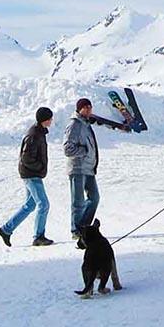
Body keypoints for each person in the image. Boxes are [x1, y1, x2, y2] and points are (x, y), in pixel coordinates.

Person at [0, 106, 55, 247]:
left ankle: (6, 229)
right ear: (44, 120)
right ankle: (38, 236)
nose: (51, 120)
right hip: (31, 174)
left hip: (31, 173)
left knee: (30, 205)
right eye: (49, 118)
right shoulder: (34, 135)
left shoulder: (39, 132)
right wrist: (40, 167)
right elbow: (26, 158)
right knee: (43, 204)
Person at [64, 97, 100, 241]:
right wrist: (84, 151)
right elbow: (67, 149)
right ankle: (76, 230)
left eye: (90, 107)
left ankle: (84, 227)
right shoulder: (74, 125)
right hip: (78, 168)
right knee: (78, 201)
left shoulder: (86, 124)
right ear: (79, 109)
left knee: (94, 198)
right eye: (86, 107)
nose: (89, 110)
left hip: (89, 168)